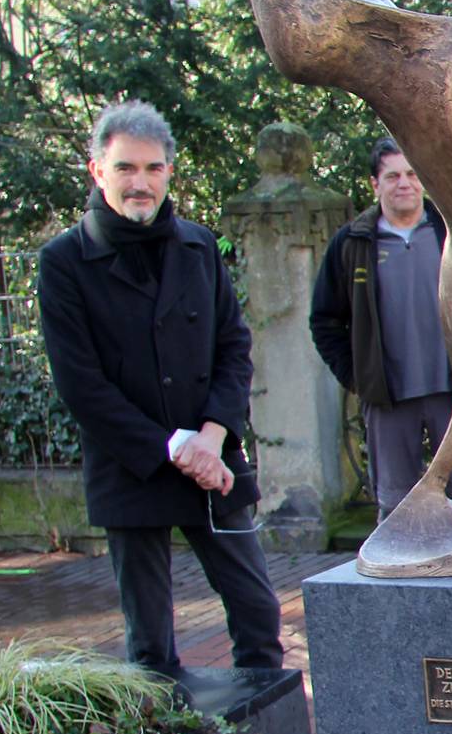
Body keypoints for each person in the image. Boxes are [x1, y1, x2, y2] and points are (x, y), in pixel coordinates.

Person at [36, 101, 285, 675]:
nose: (140, 183)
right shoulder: (64, 262)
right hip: (133, 467)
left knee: (258, 614)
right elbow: (81, 385)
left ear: (169, 171)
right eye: (125, 168)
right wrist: (176, 447)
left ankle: (267, 729)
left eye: (153, 168)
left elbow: (233, 348)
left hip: (213, 460)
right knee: (150, 646)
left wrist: (211, 437)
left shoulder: (199, 247)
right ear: (98, 171)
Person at [309, 138, 452, 519]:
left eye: (411, 174)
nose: (404, 183)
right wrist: (358, 377)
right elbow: (324, 320)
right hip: (388, 398)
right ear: (375, 184)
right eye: (392, 176)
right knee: (395, 508)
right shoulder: (352, 244)